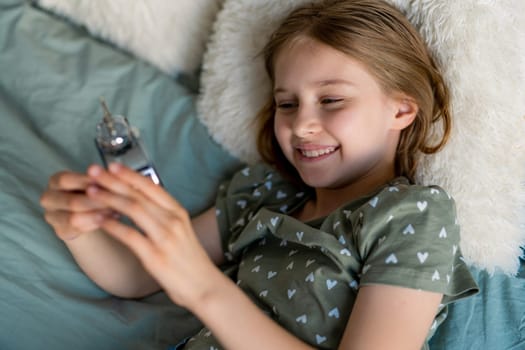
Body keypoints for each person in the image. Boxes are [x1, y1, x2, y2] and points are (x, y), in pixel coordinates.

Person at [39, 0, 479, 349]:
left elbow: (191, 281)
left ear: (401, 109)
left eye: (331, 101)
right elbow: (134, 275)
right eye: (287, 104)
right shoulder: (264, 194)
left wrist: (204, 289)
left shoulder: (412, 216)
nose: (301, 125)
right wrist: (77, 227)